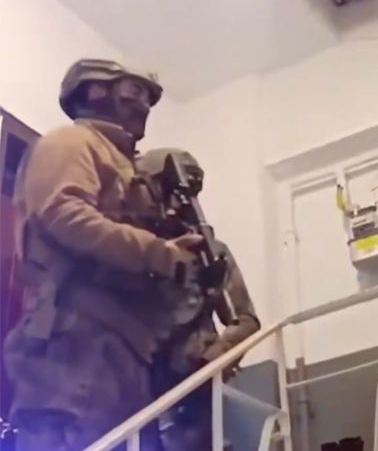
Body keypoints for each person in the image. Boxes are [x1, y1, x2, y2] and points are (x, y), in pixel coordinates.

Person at [3, 59, 202, 451]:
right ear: (94, 90)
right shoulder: (72, 142)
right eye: (135, 91)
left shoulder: (126, 168)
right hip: (76, 343)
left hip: (125, 351)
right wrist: (159, 253)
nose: (145, 105)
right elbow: (64, 213)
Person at [133, 147, 260, 451]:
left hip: (198, 388)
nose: (180, 203)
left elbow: (245, 320)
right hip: (143, 388)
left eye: (188, 193)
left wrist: (215, 358)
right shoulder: (132, 249)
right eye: (170, 191)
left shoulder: (211, 252)